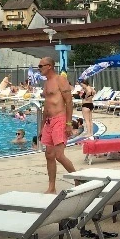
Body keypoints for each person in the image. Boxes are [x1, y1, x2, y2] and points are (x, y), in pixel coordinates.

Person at [37, 57, 77, 194]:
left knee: (59, 155)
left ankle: (78, 179)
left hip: (60, 119)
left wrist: (68, 123)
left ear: (49, 66)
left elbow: (69, 102)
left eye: (41, 66)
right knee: (49, 155)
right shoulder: (47, 83)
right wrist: (42, 126)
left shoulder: (60, 79)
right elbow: (46, 106)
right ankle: (52, 187)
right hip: (49, 122)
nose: (39, 68)